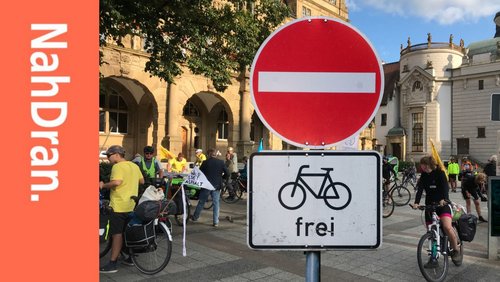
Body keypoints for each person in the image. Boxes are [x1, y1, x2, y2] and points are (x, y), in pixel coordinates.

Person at [99, 145, 144, 273]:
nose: (108, 158)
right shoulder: (134, 166)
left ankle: (112, 263)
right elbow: (142, 181)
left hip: (118, 205)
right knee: (125, 232)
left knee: (117, 234)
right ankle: (129, 257)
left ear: (117, 154)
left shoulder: (117, 166)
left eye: (109, 155)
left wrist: (103, 185)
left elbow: (116, 182)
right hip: (131, 204)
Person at [410, 156, 462, 267]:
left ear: (427, 164)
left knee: (447, 227)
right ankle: (433, 258)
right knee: (431, 232)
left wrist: (444, 199)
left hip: (442, 205)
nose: (420, 166)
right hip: (430, 206)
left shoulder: (440, 173)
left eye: (422, 164)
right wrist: (416, 203)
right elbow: (420, 190)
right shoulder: (424, 175)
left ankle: (456, 250)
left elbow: (445, 188)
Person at [191, 148, 229, 227]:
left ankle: (195, 217)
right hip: (217, 185)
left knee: (201, 202)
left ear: (208, 154)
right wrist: (222, 178)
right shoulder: (221, 162)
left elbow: (200, 173)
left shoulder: (205, 162)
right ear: (215, 154)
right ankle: (215, 221)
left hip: (206, 185)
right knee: (216, 203)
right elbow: (227, 173)